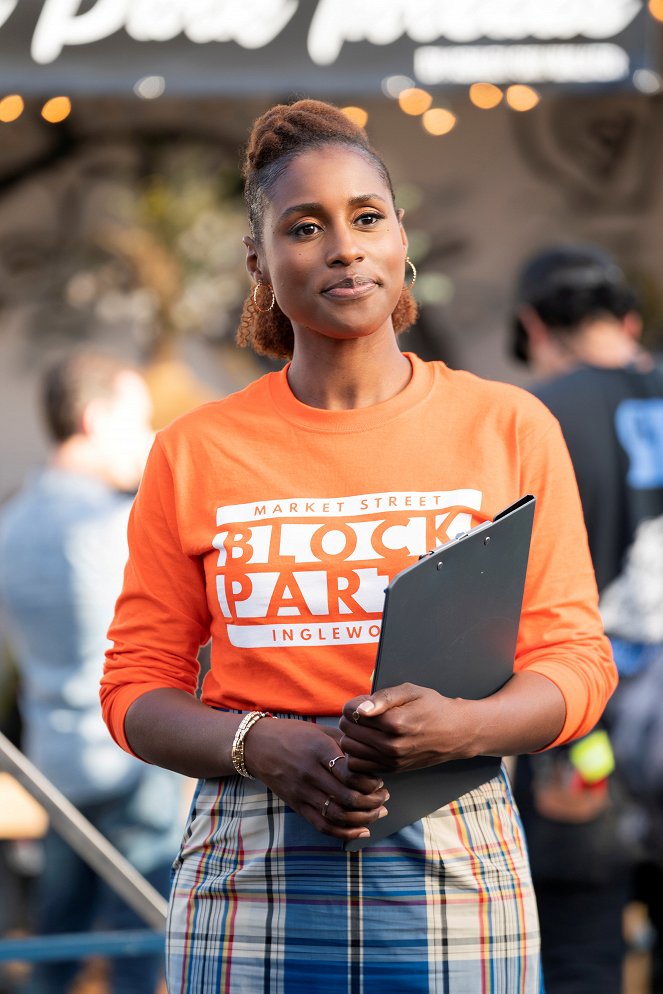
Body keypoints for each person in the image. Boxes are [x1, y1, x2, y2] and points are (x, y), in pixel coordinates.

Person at [100, 100, 616, 994]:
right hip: (250, 863)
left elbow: (574, 660)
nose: (343, 246)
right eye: (305, 227)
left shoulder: (507, 427)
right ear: (259, 263)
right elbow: (135, 689)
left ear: (398, 236)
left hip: (456, 843)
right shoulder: (196, 450)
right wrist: (262, 743)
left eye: (366, 217)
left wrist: (465, 726)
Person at [0, 350, 185, 994]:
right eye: (137, 421)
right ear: (92, 417)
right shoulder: (117, 524)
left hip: (55, 761)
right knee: (142, 949)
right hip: (136, 756)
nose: (149, 439)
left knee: (59, 947)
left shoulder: (10, 525)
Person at [510, 243, 663, 993]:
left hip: (583, 739)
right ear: (628, 319)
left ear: (534, 327)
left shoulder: (540, 417)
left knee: (580, 952)